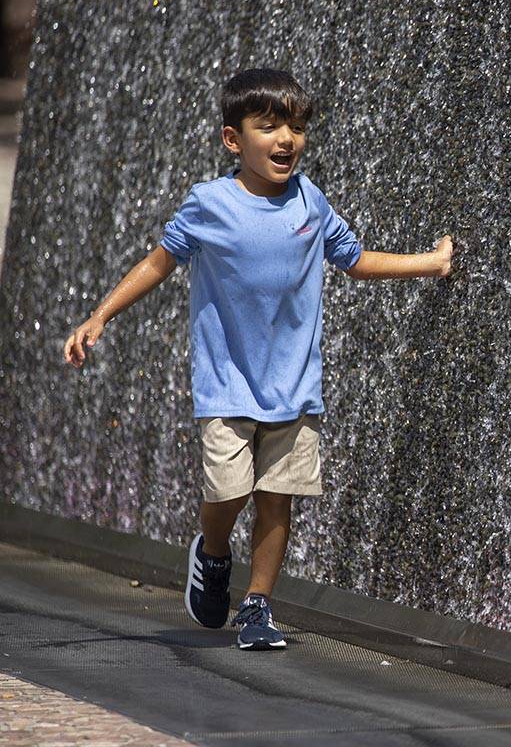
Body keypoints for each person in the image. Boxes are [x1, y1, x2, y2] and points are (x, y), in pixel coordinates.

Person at [61, 68, 454, 650]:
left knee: (277, 498)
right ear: (232, 139)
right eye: (268, 126)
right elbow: (158, 263)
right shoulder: (209, 204)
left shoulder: (310, 201)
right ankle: (213, 552)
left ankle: (258, 605)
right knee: (228, 491)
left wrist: (428, 262)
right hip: (226, 381)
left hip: (294, 383)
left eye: (295, 127)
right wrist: (100, 314)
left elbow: (355, 259)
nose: (285, 139)